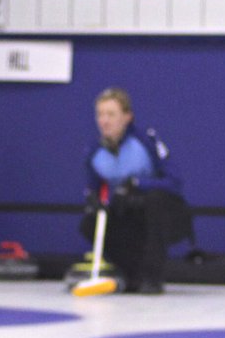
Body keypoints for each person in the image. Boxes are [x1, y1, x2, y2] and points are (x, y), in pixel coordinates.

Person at [79, 88, 191, 294]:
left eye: (111, 114)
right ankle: (130, 274)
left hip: (164, 212)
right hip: (129, 211)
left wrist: (137, 184)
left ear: (127, 117)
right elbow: (93, 188)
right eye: (100, 114)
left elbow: (175, 182)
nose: (104, 121)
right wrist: (92, 200)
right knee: (90, 222)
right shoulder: (94, 151)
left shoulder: (145, 141)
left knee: (154, 202)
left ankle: (152, 277)